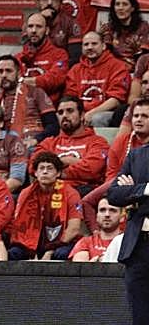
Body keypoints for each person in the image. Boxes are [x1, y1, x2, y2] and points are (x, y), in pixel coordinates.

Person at [10, 152, 83, 260]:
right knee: (14, 253)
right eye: (41, 168)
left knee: (60, 254)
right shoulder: (26, 193)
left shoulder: (70, 193)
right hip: (32, 242)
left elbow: (74, 229)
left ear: (58, 173)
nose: (45, 171)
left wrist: (51, 250)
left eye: (49, 168)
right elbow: (19, 225)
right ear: (35, 173)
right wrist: (30, 250)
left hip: (61, 243)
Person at [108, 142, 149, 322]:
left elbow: (126, 194)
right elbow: (114, 194)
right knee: (140, 316)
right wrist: (144, 189)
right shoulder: (137, 155)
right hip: (139, 246)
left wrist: (133, 195)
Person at [65, 31, 130, 128]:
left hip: (107, 112)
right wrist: (78, 114)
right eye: (86, 44)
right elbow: (71, 98)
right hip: (81, 113)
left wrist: (91, 113)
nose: (90, 47)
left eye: (94, 44)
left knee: (97, 118)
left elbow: (116, 100)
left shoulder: (117, 66)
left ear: (103, 46)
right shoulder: (75, 70)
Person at [71, 197, 125, 262]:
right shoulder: (85, 243)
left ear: (122, 217)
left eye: (112, 210)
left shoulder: (128, 242)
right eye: (102, 210)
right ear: (97, 216)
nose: (107, 214)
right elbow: (79, 269)